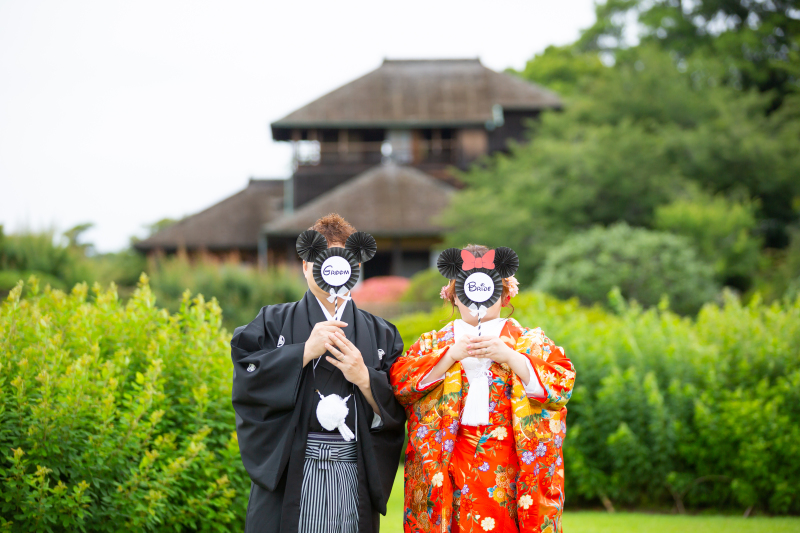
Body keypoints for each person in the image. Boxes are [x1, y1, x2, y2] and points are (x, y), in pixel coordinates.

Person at [231, 213, 406, 533]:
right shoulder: (271, 323)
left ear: (355, 267)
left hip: (354, 468)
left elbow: (401, 402)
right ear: (305, 266)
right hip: (290, 469)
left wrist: (365, 378)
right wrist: (303, 352)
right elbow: (248, 378)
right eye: (320, 260)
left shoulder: (382, 334)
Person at [390, 244, 576, 533]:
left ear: (504, 295)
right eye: (466, 292)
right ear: (453, 295)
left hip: (510, 465)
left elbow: (562, 382)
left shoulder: (529, 342)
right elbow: (401, 382)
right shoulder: (435, 343)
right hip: (447, 459)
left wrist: (511, 357)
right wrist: (448, 356)